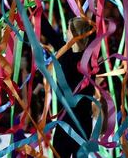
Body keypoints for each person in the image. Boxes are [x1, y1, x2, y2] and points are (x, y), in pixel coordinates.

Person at [40, 12, 96, 158]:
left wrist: (34, 8)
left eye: (69, 30)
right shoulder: (89, 57)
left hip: (73, 124)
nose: (66, 32)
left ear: (75, 34)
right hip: (73, 123)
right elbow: (48, 30)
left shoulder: (85, 58)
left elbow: (49, 32)